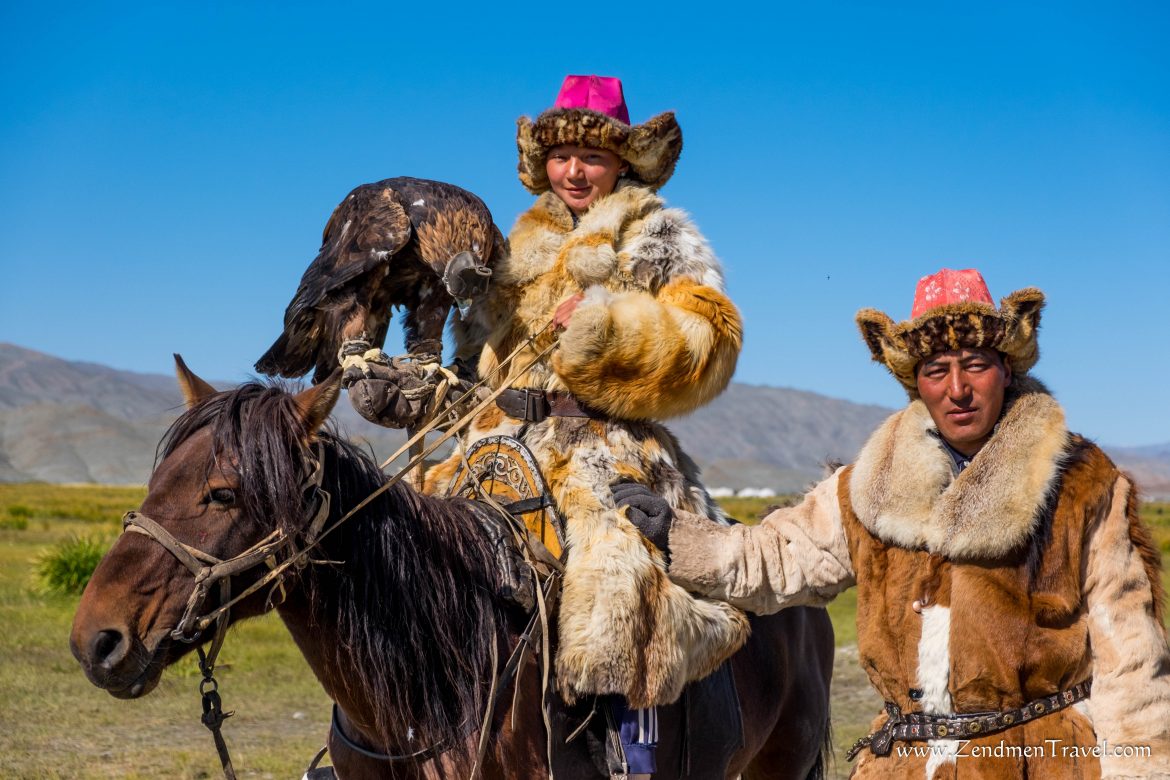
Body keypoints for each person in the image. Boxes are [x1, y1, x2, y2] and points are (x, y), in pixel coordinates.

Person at [348, 75, 751, 777]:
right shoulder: (512, 248)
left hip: (605, 448)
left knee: (617, 570)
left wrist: (607, 324)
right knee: (400, 548)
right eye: (561, 155)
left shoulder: (660, 236)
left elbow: (707, 341)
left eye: (590, 158)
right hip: (494, 444)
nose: (573, 170)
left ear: (622, 161)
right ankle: (381, 744)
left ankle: (632, 745)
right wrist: (418, 397)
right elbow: (476, 368)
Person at [621, 268, 1170, 778]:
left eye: (975, 365)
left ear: (1006, 368)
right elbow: (778, 560)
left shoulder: (1082, 484)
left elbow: (1132, 662)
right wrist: (676, 536)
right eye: (937, 370)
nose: (957, 388)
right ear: (916, 383)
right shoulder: (869, 489)